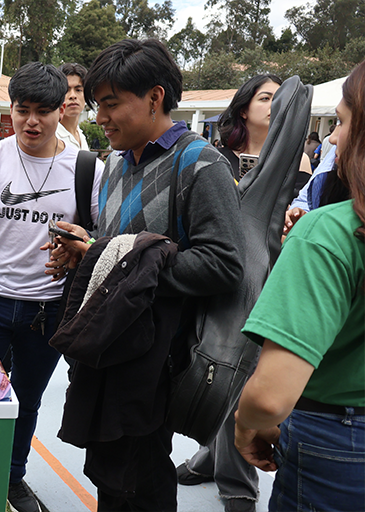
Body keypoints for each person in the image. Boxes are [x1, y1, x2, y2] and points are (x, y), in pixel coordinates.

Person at [51, 39, 245, 512]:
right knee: (112, 477)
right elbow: (121, 246)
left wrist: (117, 259)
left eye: (112, 104)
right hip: (113, 351)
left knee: (141, 484)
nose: (100, 118)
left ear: (155, 97)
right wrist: (88, 250)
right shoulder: (116, 163)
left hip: (157, 364)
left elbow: (224, 263)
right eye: (98, 106)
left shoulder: (200, 163)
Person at [0, 61, 102, 512]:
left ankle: (11, 477)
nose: (32, 122)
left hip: (49, 307)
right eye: (22, 110)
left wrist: (81, 243)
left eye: (43, 111)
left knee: (26, 399)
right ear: (11, 109)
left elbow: (101, 235)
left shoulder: (87, 168)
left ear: (63, 109)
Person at [234, 60, 365, 512]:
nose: (332, 138)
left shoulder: (331, 232)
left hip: (336, 445)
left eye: (342, 122)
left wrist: (246, 424)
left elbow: (270, 397)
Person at [176, 73, 309, 512]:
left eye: (276, 98)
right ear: (244, 108)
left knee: (247, 370)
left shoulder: (297, 161)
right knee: (220, 365)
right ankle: (211, 457)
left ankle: (235, 479)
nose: (272, 105)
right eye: (264, 97)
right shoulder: (218, 159)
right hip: (229, 273)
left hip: (276, 272)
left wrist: (295, 221)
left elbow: (304, 212)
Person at [56, 63, 89, 149]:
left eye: (78, 90)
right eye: (66, 90)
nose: (73, 96)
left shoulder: (81, 136)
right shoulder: (51, 137)